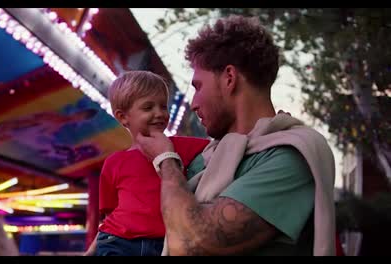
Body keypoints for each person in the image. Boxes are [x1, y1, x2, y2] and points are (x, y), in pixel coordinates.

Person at [136, 15, 336, 256]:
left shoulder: (292, 156)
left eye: (198, 86)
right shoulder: (205, 159)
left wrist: (166, 162)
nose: (193, 103)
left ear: (229, 78)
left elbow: (194, 241)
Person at [83, 71, 209, 256]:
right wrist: (90, 252)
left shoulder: (185, 146)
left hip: (166, 244)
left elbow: (222, 145)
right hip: (118, 243)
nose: (159, 113)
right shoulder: (114, 162)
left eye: (163, 106)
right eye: (148, 107)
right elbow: (109, 218)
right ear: (123, 117)